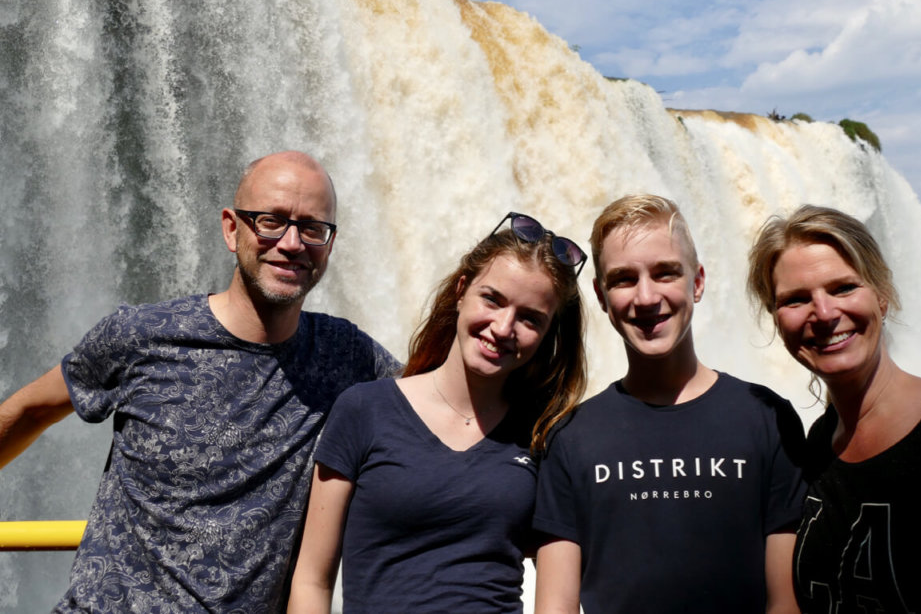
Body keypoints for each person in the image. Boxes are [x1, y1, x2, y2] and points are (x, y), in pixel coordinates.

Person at [0, 151, 399, 612]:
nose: (291, 243)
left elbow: (439, 400)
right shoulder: (141, 335)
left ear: (329, 245)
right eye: (270, 221)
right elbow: (30, 410)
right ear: (232, 228)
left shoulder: (347, 356)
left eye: (312, 228)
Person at [287, 212, 588, 613]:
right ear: (462, 290)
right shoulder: (364, 410)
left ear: (548, 334)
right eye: (492, 299)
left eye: (530, 319)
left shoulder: (544, 437)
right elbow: (312, 581)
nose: (502, 327)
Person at [534, 194, 806, 614]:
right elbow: (555, 607)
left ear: (697, 283)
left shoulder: (767, 418)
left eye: (665, 273)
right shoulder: (570, 439)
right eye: (624, 279)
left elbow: (786, 603)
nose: (645, 297)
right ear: (601, 296)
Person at [747, 204, 921, 613]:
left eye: (843, 288)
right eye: (796, 299)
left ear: (883, 294)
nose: (824, 314)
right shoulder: (818, 445)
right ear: (776, 319)